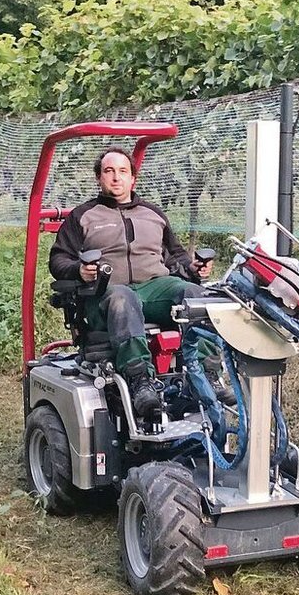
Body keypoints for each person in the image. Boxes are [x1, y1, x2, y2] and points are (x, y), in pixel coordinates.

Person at [49, 145, 221, 418]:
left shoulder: (153, 215)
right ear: (99, 178)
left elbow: (175, 256)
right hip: (105, 293)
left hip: (155, 287)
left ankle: (208, 375)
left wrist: (193, 267)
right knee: (123, 298)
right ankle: (140, 381)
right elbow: (58, 260)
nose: (116, 177)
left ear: (133, 179)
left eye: (122, 171)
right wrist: (78, 271)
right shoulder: (83, 216)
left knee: (198, 295)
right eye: (109, 171)